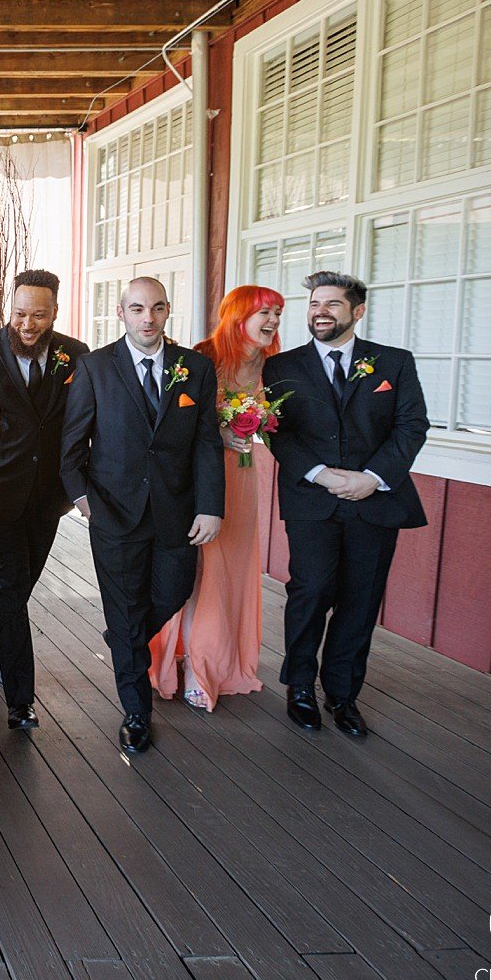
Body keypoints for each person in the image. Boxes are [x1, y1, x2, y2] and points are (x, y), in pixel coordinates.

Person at [59, 276, 225, 754]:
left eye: (155, 308)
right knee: (127, 608)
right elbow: (72, 443)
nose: (147, 318)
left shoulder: (195, 367)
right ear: (121, 313)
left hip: (178, 513)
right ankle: (136, 712)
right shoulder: (95, 368)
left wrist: (210, 506)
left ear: (167, 310)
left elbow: (207, 443)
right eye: (137, 309)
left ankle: (124, 637)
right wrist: (82, 498)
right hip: (113, 511)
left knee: (171, 592)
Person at [261, 271, 428, 738]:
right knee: (310, 593)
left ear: (357, 311)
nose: (321, 312)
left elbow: (412, 425)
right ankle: (299, 687)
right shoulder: (282, 367)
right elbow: (278, 431)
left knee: (360, 600)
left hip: (373, 502)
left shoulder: (393, 363)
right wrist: (322, 475)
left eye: (333, 304)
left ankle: (342, 695)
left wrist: (371, 478)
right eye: (315, 303)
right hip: (313, 501)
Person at [0, 269, 90, 730]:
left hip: (49, 493)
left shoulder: (75, 355)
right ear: (8, 308)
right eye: (20, 313)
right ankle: (21, 699)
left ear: (55, 312)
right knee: (6, 581)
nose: (28, 324)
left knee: (23, 580)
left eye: (39, 315)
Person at [149, 287, 283, 712]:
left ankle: (215, 663)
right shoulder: (200, 358)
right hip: (199, 479)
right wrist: (220, 434)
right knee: (197, 572)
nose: (273, 321)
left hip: (243, 480)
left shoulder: (275, 367)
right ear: (239, 314)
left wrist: (255, 428)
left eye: (278, 313)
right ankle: (187, 662)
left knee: (230, 574)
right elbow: (173, 421)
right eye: (265, 312)